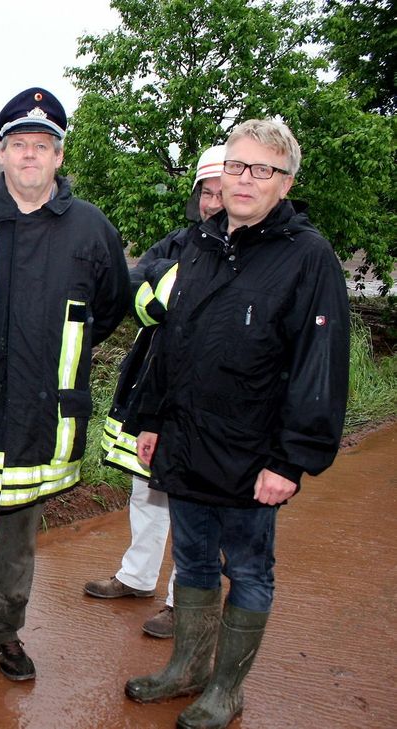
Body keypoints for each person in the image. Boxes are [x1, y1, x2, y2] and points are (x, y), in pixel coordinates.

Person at [125, 118, 349, 729]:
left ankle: (226, 689)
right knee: (192, 564)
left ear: (286, 182)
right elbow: (172, 342)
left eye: (262, 170)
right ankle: (186, 671)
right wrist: (152, 419)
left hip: (256, 456)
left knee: (247, 569)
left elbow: (318, 366)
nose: (245, 180)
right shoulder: (201, 243)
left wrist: (291, 458)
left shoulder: (309, 258)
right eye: (236, 165)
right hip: (188, 441)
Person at [0, 87, 130, 682]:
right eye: (19, 145)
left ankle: (5, 634)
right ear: (0, 153)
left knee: (20, 536)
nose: (29, 156)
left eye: (41, 146)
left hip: (44, 412)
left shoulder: (89, 228)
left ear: (59, 156)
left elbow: (112, 305)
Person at [86, 144, 226, 639]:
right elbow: (139, 282)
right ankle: (138, 577)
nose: (213, 203)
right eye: (206, 192)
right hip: (154, 378)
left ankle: (181, 602)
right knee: (146, 484)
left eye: (222, 191)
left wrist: (167, 297)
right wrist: (153, 295)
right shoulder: (181, 240)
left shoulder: (249, 251)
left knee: (193, 497)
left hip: (210, 391)